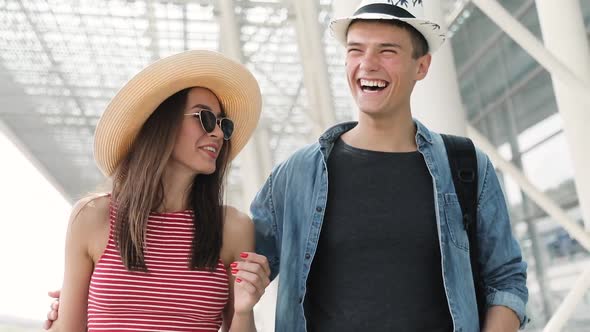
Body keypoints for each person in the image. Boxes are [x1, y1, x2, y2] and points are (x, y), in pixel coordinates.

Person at [46, 1, 529, 331]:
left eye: (388, 51)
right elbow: (232, 283)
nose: (368, 64)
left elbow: (505, 279)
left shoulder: (465, 167)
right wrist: (84, 301)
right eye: (356, 50)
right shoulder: (297, 177)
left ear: (422, 66)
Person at [44, 50, 270, 331]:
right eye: (205, 118)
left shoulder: (233, 228)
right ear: (162, 122)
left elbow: (239, 322)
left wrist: (244, 311)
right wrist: (61, 316)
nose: (218, 134)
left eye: (224, 124)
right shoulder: (92, 217)